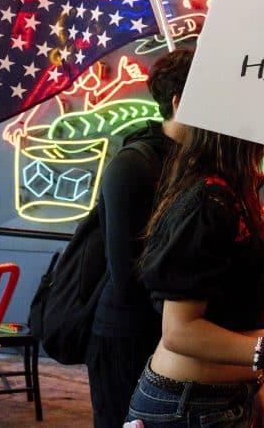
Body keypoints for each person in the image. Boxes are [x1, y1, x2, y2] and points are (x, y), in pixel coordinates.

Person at [127, 128, 264, 427]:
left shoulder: (234, 190)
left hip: (219, 400)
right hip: (190, 407)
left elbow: (236, 312)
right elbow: (179, 331)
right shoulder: (208, 200)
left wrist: (255, 380)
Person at [86, 48, 192, 428]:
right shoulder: (134, 164)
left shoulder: (196, 163)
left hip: (176, 340)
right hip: (129, 338)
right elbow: (128, 276)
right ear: (180, 102)